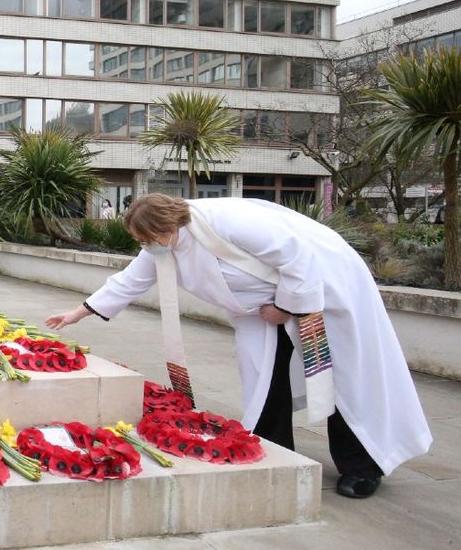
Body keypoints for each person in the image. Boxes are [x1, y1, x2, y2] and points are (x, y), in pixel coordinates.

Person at [45, 194, 431, 499]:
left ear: (166, 225)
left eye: (148, 239)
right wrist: (77, 313)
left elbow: (299, 256)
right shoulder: (162, 245)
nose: (146, 247)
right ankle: (274, 450)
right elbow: (129, 281)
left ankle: (362, 466)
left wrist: (284, 307)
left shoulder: (229, 222)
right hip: (260, 312)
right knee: (263, 379)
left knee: (343, 381)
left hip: (322, 297)